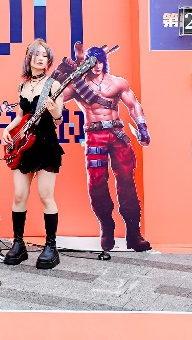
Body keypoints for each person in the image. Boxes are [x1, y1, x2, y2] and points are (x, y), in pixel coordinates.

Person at [58, 42, 153, 252]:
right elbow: (56, 99)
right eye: (93, 62)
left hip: (117, 133)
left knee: (127, 181)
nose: (97, 66)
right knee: (96, 183)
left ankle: (134, 233)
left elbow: (133, 105)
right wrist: (63, 73)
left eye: (100, 61)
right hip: (94, 135)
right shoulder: (78, 85)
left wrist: (142, 126)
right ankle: (106, 226)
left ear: (105, 62)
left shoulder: (117, 82)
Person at [0, 39, 65, 269]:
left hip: (46, 145)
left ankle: (51, 246)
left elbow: (58, 119)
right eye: (36, 54)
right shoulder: (22, 86)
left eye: (44, 55)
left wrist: (54, 111)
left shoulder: (54, 85)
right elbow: (20, 117)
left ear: (48, 61)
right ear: (28, 58)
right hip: (24, 146)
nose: (40, 58)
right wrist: (7, 130)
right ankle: (18, 244)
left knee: (46, 195)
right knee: (19, 195)